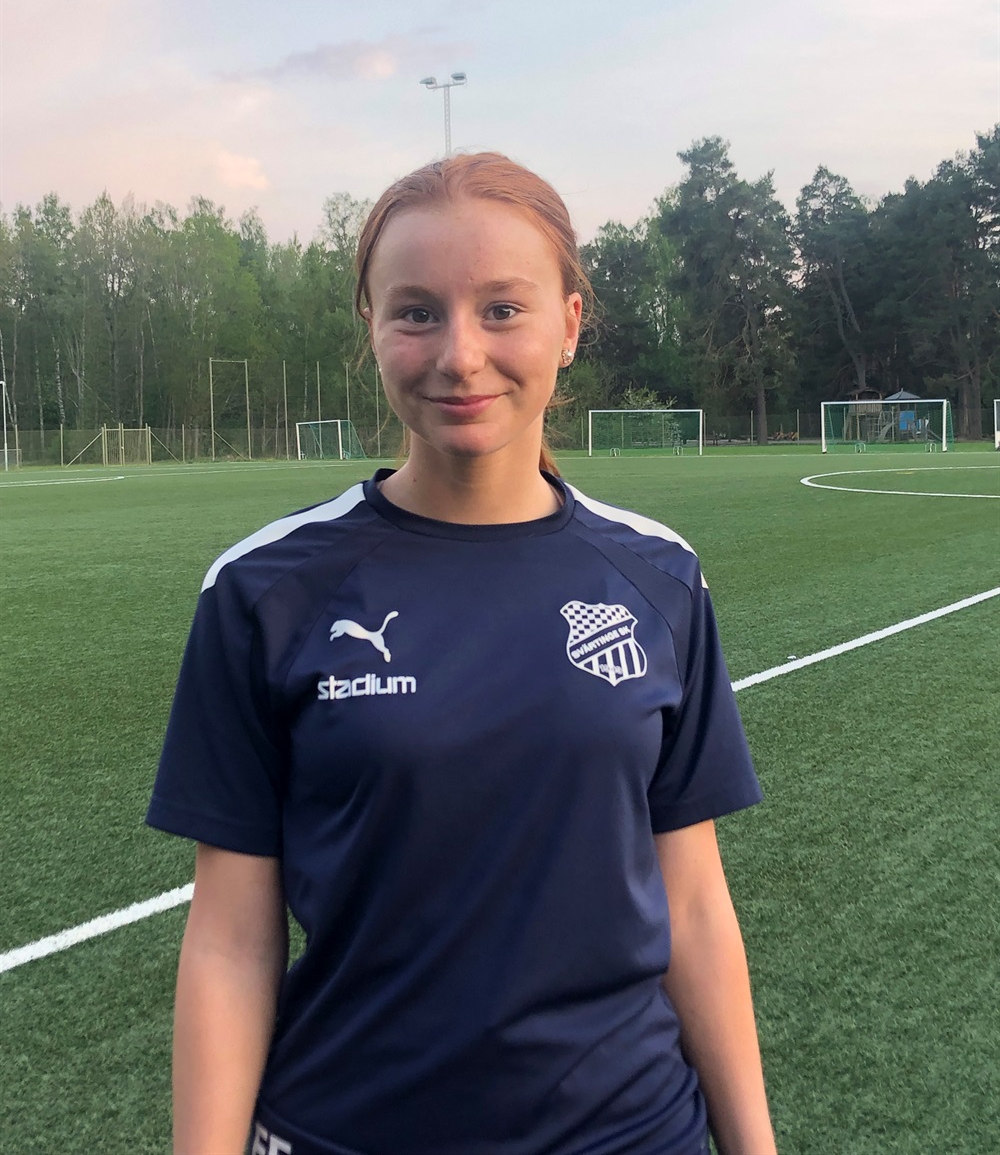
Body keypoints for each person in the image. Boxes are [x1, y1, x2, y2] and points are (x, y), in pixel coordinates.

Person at [147, 152, 777, 1155]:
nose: (460, 355)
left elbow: (693, 903)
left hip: (631, 1132)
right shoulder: (264, 589)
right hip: (347, 1128)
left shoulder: (658, 577)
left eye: (501, 309)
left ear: (570, 324)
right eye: (417, 312)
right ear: (371, 326)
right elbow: (229, 939)